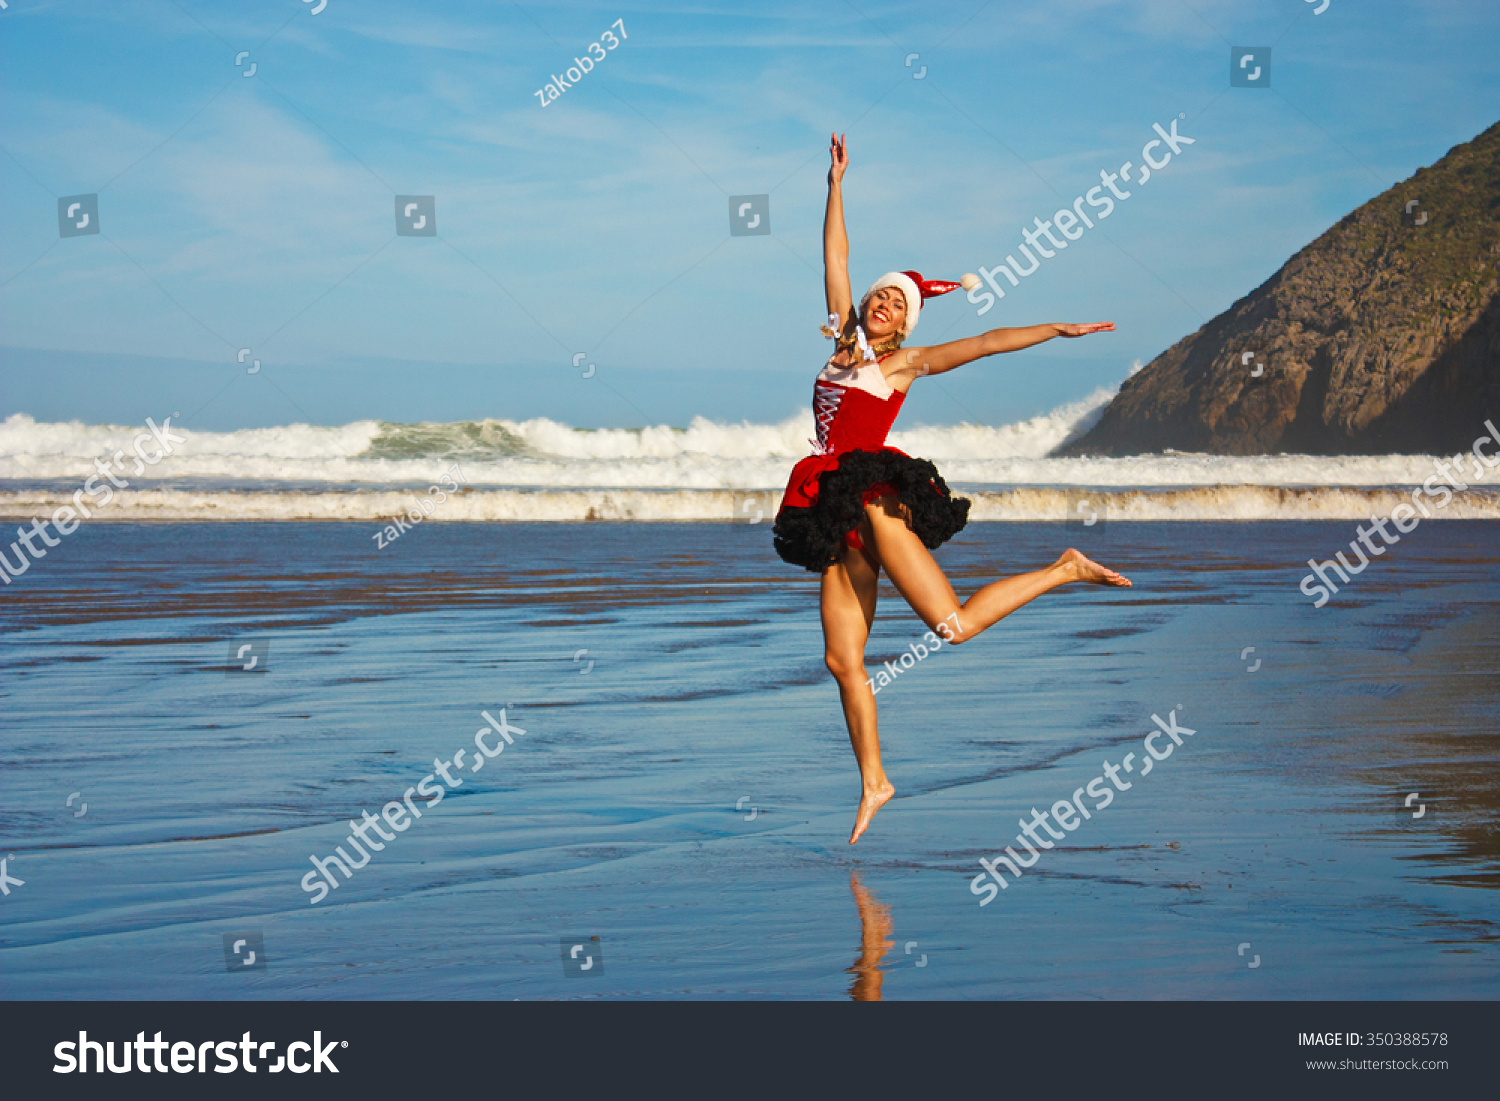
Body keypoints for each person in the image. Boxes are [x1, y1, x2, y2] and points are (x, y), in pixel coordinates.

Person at [771, 133, 1132, 844]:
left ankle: (1063, 568)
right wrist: (835, 184)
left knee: (953, 627)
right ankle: (875, 779)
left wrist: (1057, 329)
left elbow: (989, 341)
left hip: (872, 501)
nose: (880, 305)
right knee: (842, 659)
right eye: (877, 297)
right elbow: (835, 257)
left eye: (894, 304)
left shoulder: (904, 365)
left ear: (906, 322)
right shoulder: (842, 343)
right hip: (830, 509)